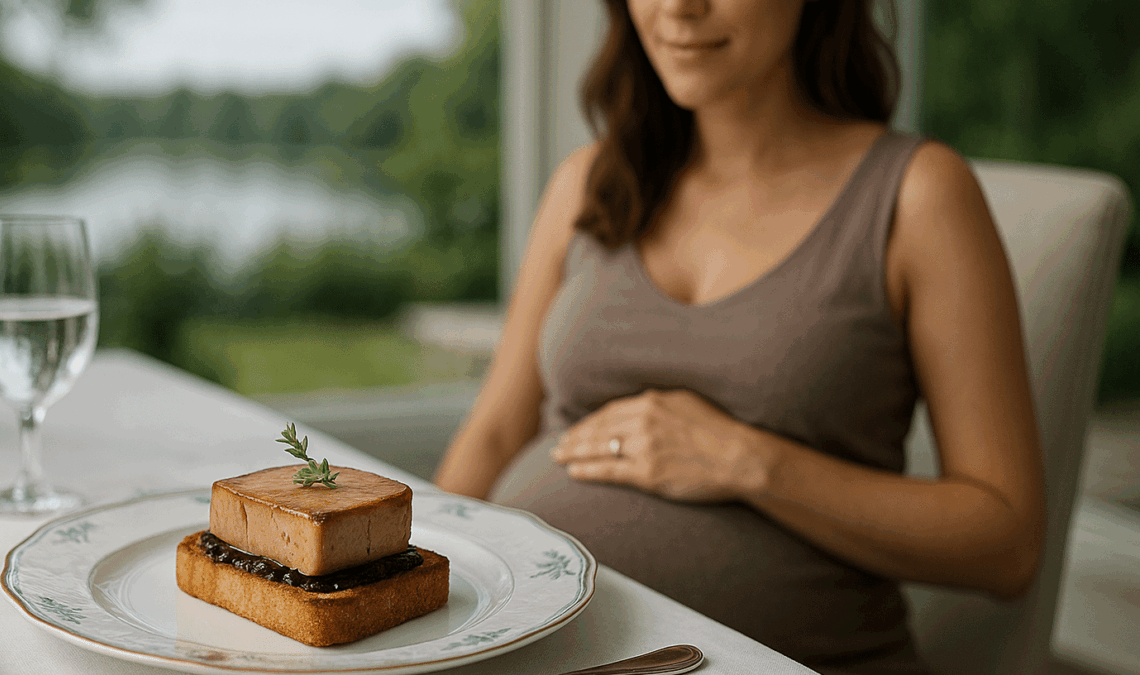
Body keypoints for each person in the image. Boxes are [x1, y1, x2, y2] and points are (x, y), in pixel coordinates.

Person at [434, 0, 1046, 672]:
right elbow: (495, 433)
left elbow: (1007, 543)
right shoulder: (588, 183)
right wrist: (415, 598)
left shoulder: (918, 194)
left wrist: (749, 463)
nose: (677, 8)